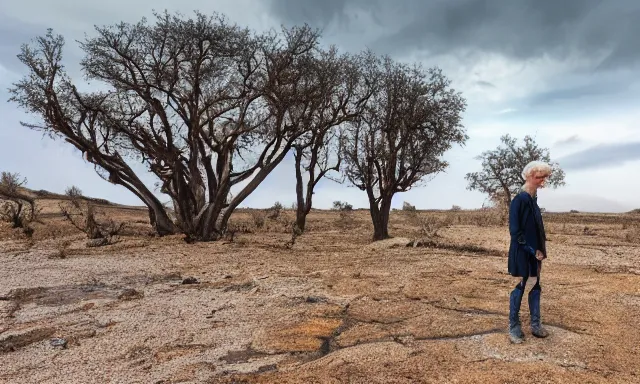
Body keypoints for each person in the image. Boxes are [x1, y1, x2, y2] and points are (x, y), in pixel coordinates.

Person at [508, 160, 551, 344]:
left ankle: (535, 325)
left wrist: (540, 250)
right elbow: (515, 231)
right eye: (540, 177)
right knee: (523, 285)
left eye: (544, 177)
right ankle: (514, 326)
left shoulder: (532, 200)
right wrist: (532, 250)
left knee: (535, 286)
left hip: (536, 253)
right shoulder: (520, 200)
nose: (543, 181)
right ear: (530, 176)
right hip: (524, 252)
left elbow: (536, 229)